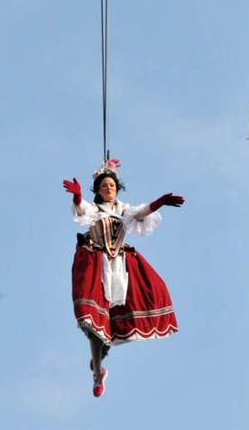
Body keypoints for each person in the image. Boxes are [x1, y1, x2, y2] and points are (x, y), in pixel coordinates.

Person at [63, 159, 185, 397]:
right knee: (90, 322)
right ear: (98, 190)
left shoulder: (123, 210)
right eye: (104, 185)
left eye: (111, 185)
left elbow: (141, 212)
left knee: (108, 320)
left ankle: (101, 354)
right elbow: (81, 211)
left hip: (119, 265)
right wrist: (77, 197)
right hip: (95, 263)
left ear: (117, 189)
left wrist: (159, 202)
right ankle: (98, 373)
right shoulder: (95, 210)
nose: (108, 188)